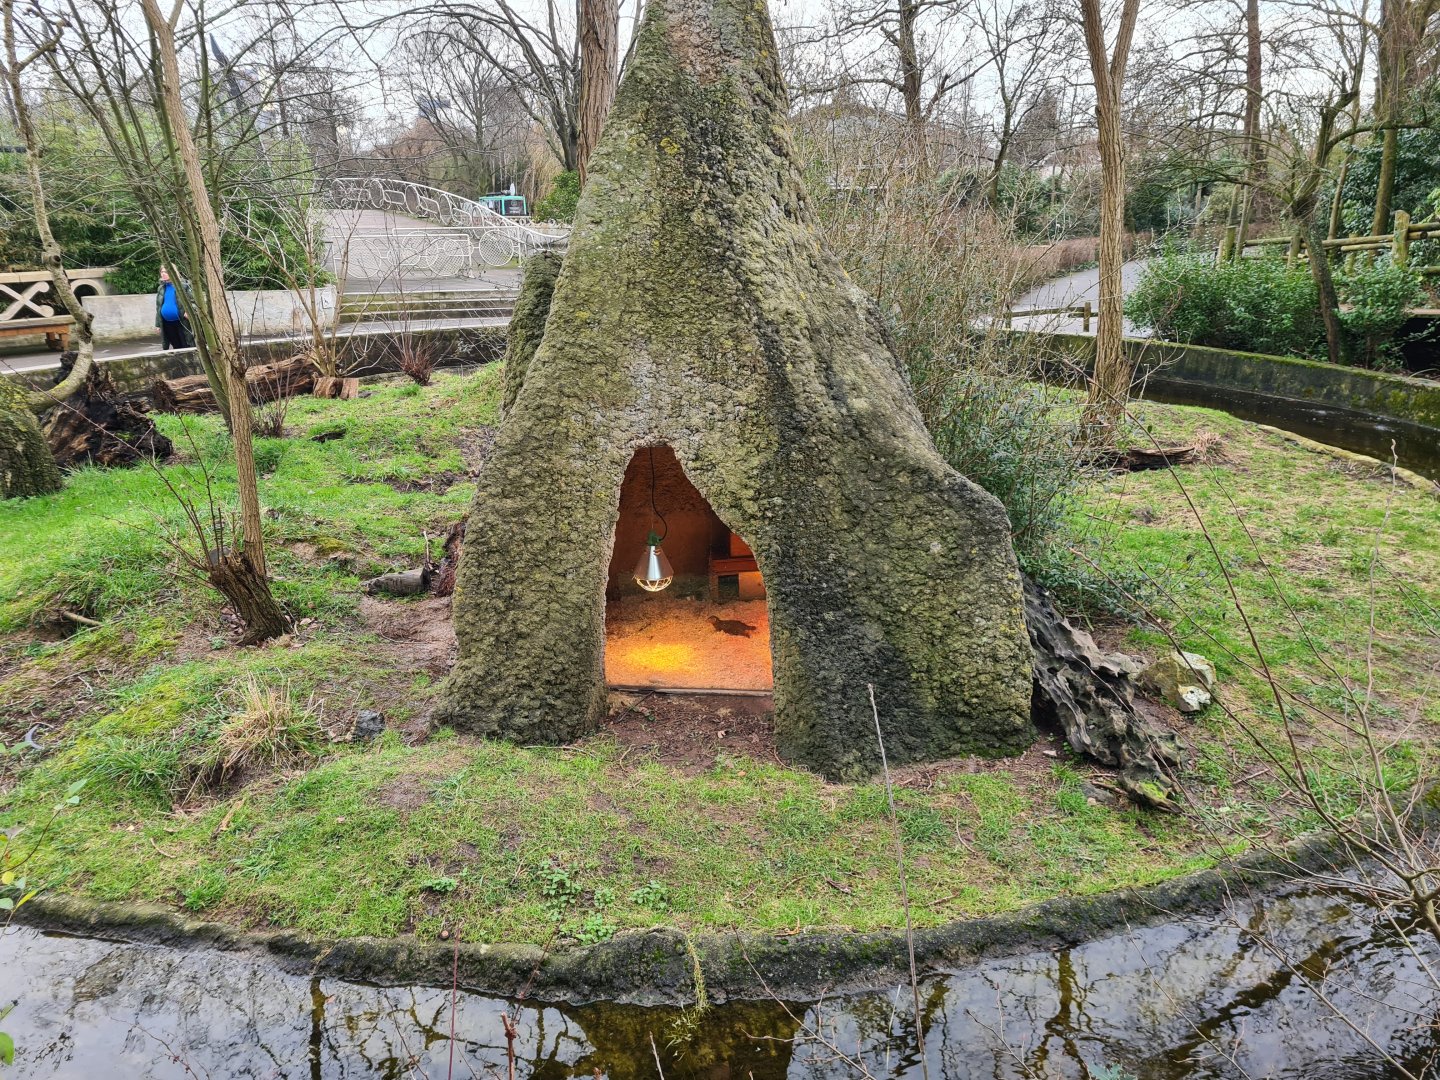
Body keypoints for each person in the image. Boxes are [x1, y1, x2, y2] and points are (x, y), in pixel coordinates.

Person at [155, 267, 193, 350]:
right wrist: (158, 325)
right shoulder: (161, 288)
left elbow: (194, 302)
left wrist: (189, 311)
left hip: (182, 321)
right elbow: (158, 307)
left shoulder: (183, 286)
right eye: (162, 272)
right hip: (167, 323)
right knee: (176, 346)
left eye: (166, 272)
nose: (163, 274)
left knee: (186, 345)